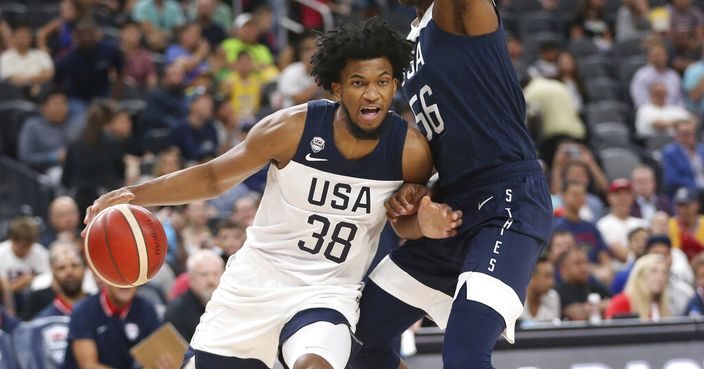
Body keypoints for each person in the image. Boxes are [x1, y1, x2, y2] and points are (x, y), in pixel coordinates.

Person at [83, 18, 461, 369]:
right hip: (255, 282)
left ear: (395, 84)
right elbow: (214, 177)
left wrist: (422, 223)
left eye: (383, 81)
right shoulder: (290, 129)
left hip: (328, 290)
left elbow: (402, 223)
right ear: (336, 87)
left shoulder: (410, 152)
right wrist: (134, 194)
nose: (372, 93)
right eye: (359, 82)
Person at [350, 1, 553, 368]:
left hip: (506, 202)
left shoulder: (459, 15)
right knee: (353, 340)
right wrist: (423, 187)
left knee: (465, 357)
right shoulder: (411, 39)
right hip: (453, 206)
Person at [164, 249, 224, 341]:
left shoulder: (231, 305)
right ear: (191, 279)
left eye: (216, 274)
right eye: (204, 274)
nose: (211, 281)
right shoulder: (177, 311)